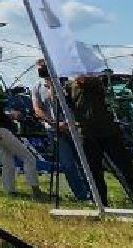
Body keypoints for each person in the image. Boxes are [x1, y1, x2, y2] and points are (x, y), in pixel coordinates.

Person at [62, 69, 133, 211]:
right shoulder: (69, 86)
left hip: (108, 132)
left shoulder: (96, 82)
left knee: (124, 168)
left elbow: (88, 82)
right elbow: (65, 103)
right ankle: (100, 203)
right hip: (87, 133)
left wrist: (84, 77)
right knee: (93, 171)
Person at [31, 61, 90, 201]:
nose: (41, 72)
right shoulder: (36, 87)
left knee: (83, 161)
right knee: (68, 163)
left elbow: (70, 103)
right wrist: (54, 123)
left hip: (72, 127)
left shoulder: (64, 84)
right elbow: (37, 109)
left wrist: (53, 84)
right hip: (54, 129)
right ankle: (81, 195)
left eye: (44, 69)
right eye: (39, 70)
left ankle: (94, 192)